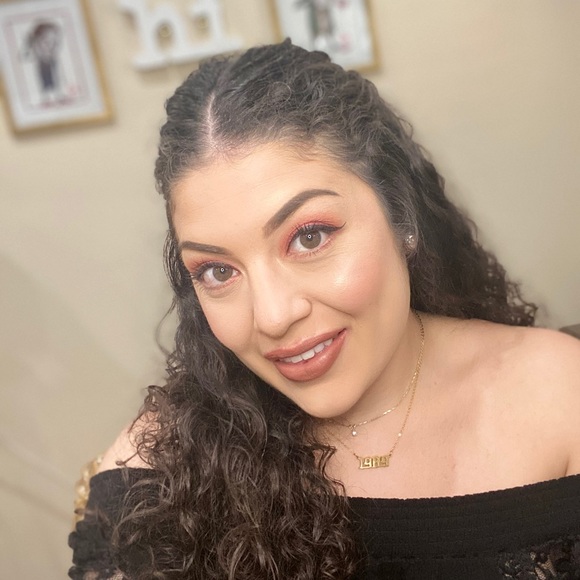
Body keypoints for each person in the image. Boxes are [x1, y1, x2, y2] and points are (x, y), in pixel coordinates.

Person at [68, 40, 580, 579]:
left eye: (309, 237)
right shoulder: (159, 465)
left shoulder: (558, 394)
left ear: (402, 216)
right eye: (218, 271)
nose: (272, 316)